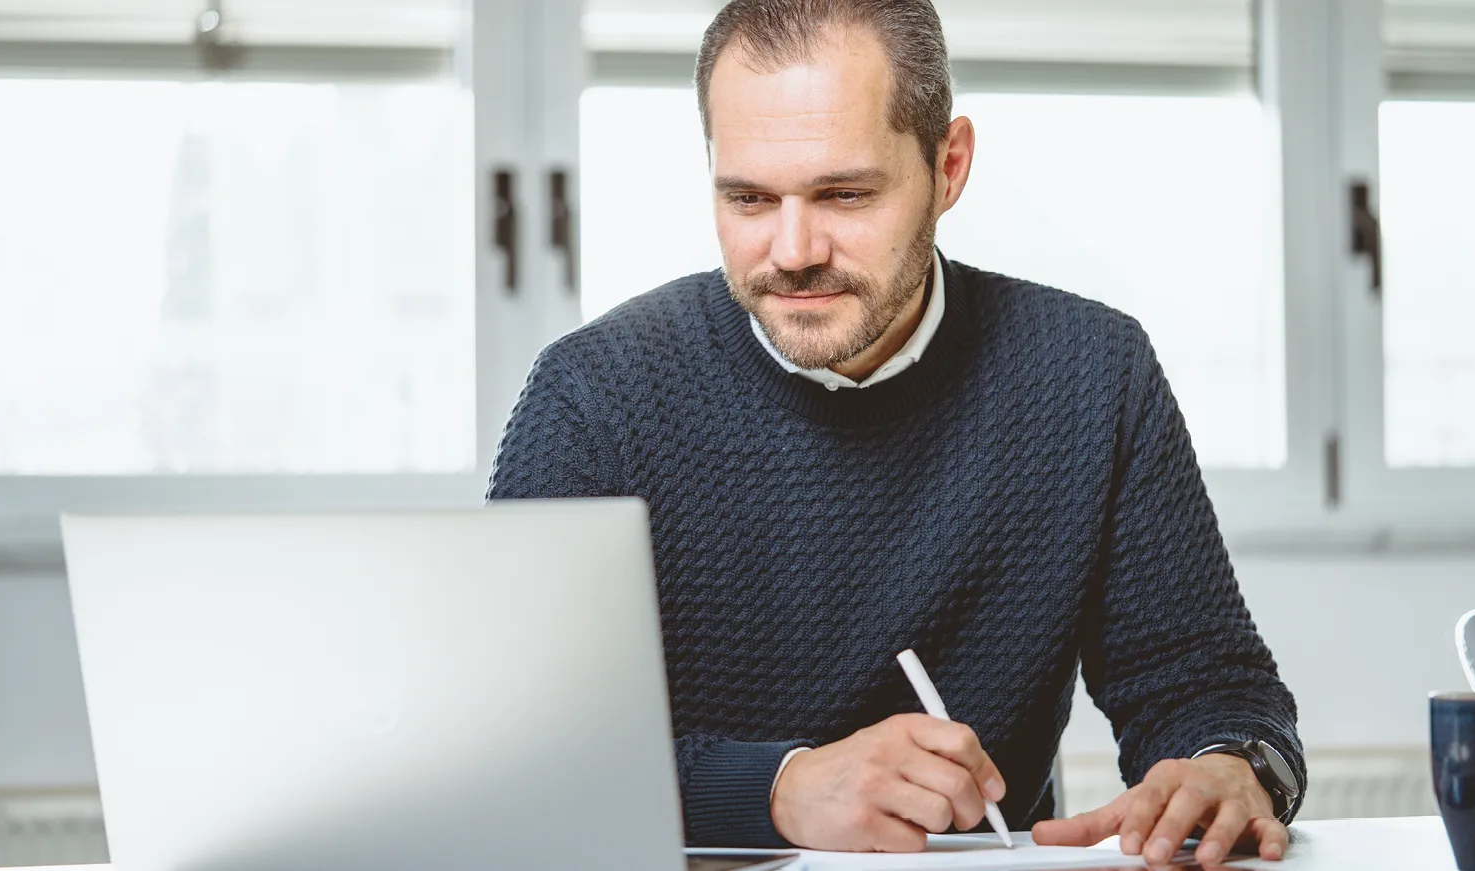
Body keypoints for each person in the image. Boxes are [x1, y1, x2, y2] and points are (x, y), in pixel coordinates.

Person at [487, 0, 1304, 864]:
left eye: (844, 193)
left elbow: (1206, 683)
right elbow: (511, 750)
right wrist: (777, 786)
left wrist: (1229, 762)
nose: (793, 249)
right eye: (749, 198)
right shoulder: (592, 395)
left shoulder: (1092, 373)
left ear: (948, 167)